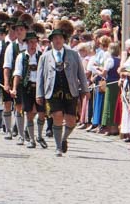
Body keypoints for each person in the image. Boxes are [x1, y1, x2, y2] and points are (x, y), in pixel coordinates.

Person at [35, 23, 88, 157]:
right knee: (57, 116)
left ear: (64, 40)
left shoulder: (73, 55)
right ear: (51, 41)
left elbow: (81, 73)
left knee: (71, 121)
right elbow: (40, 77)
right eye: (55, 38)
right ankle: (58, 146)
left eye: (60, 38)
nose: (57, 40)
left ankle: (64, 138)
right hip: (52, 90)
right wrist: (39, 93)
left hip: (70, 90)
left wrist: (85, 89)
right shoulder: (44, 57)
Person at [13, 30, 43, 149]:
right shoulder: (21, 56)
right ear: (26, 43)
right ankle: (31, 139)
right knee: (29, 114)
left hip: (39, 88)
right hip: (26, 87)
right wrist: (14, 88)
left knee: (41, 114)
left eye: (35, 42)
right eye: (30, 42)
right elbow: (17, 73)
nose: (33, 44)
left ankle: (39, 136)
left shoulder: (41, 56)